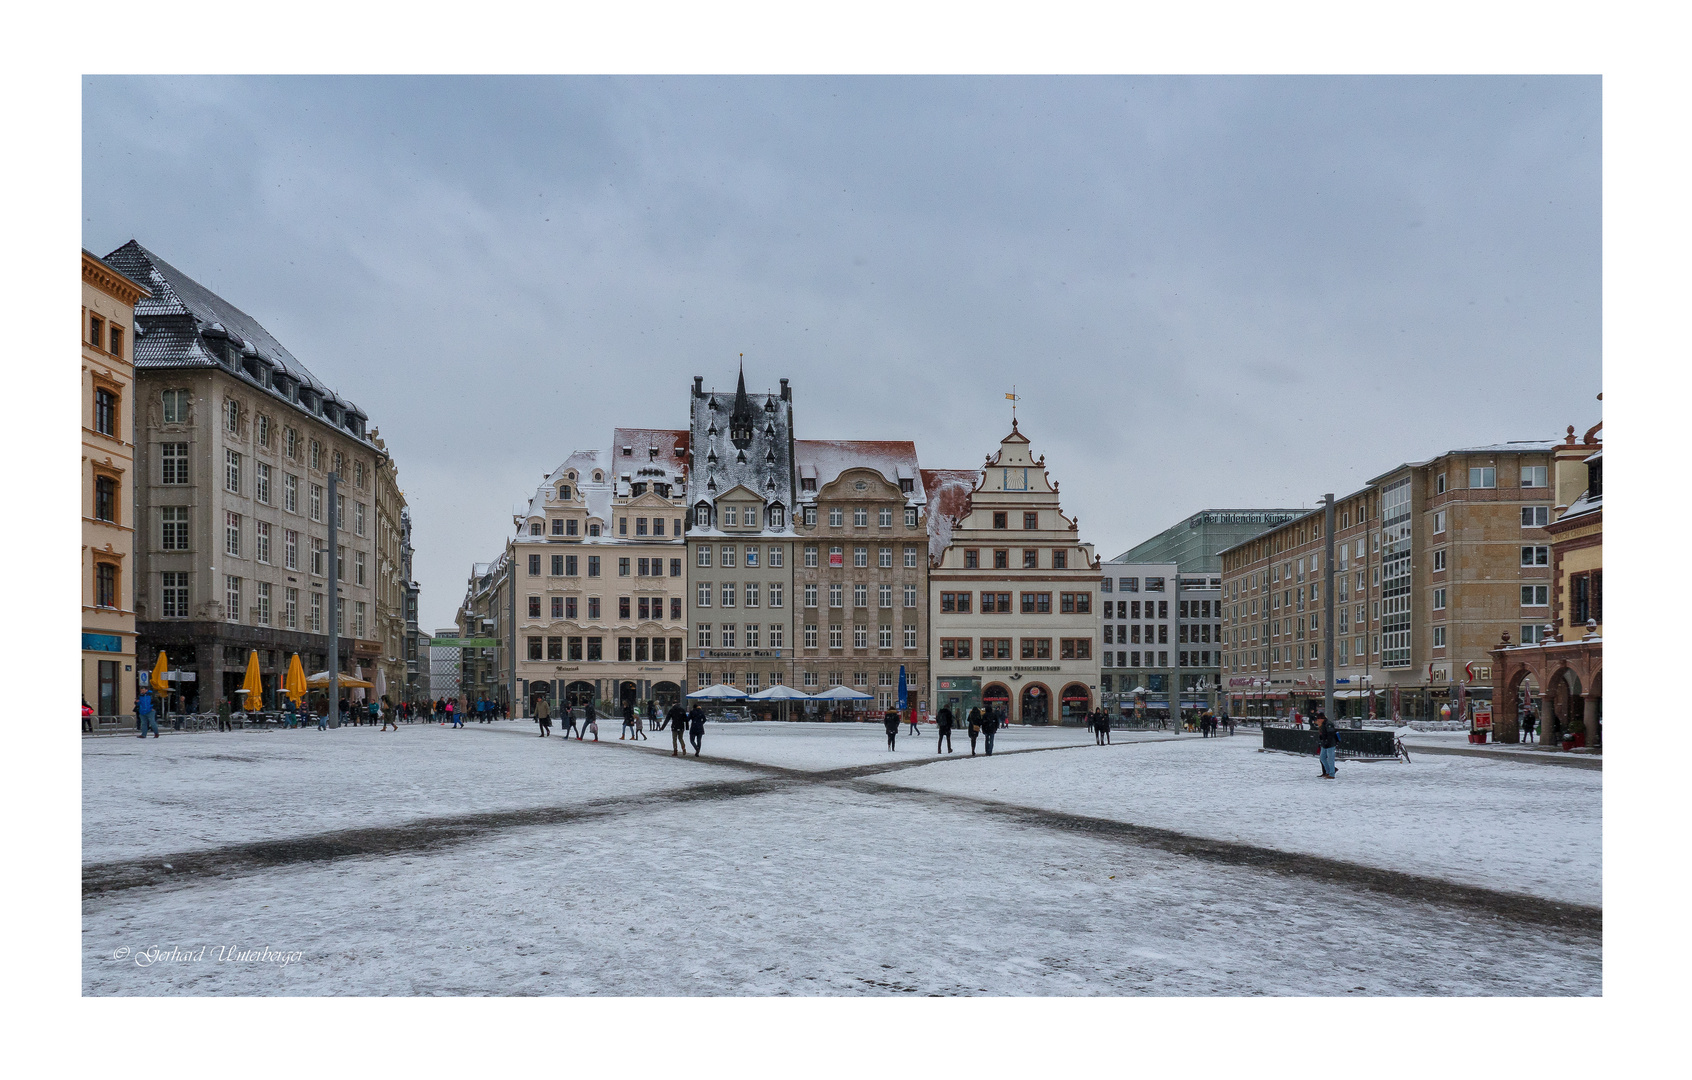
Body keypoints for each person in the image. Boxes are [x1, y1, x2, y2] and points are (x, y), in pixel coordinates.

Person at [1316, 711, 1339, 779]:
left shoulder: (1328, 724)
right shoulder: (1324, 724)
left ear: (1321, 719)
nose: (1317, 721)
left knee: (1330, 759)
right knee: (1322, 758)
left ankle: (1331, 774)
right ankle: (1328, 771)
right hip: (1325, 744)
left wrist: (1327, 741)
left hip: (1330, 744)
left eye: (1318, 719)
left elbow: (1330, 734)